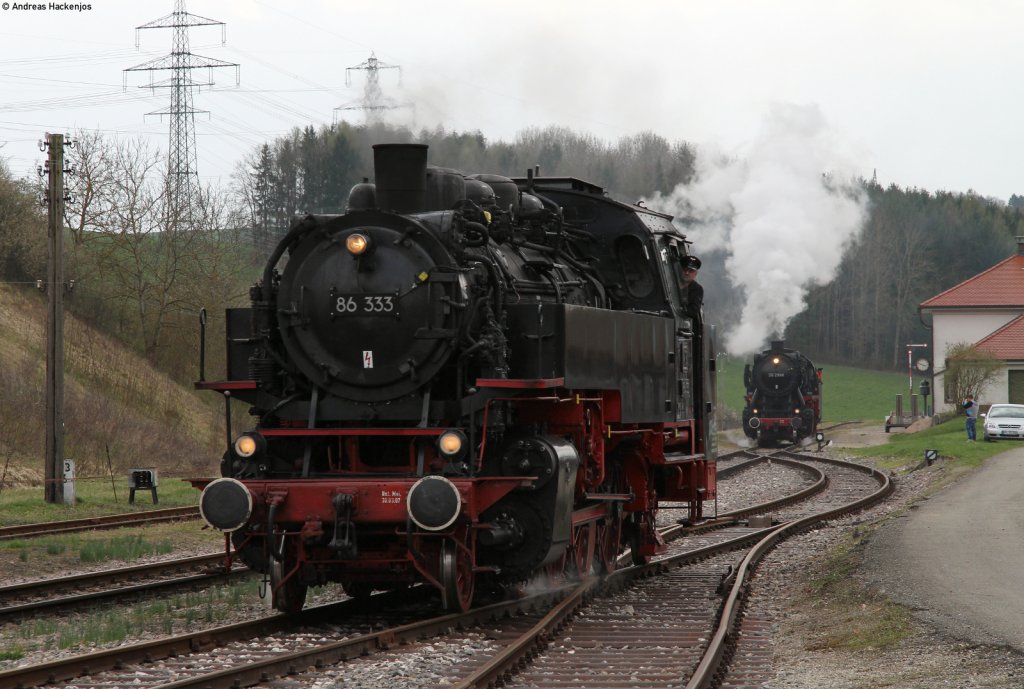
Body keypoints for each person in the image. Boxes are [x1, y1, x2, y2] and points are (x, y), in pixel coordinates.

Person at [680, 255, 703, 324]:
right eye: (685, 270)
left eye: (690, 271)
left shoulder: (697, 289)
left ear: (695, 274)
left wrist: (681, 310)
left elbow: (693, 310)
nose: (687, 273)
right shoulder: (670, 282)